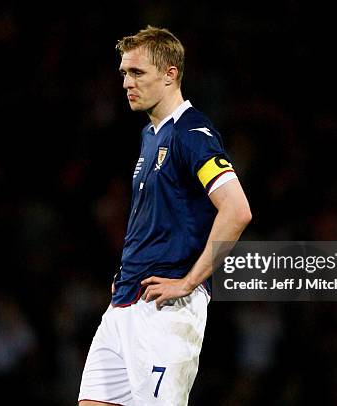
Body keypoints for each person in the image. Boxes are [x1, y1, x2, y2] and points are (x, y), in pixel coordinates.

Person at [78, 26, 252, 405]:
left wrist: (189, 282)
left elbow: (237, 210)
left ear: (171, 73)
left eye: (137, 73)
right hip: (125, 303)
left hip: (165, 311)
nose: (126, 83)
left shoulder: (194, 133)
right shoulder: (149, 135)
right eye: (124, 73)